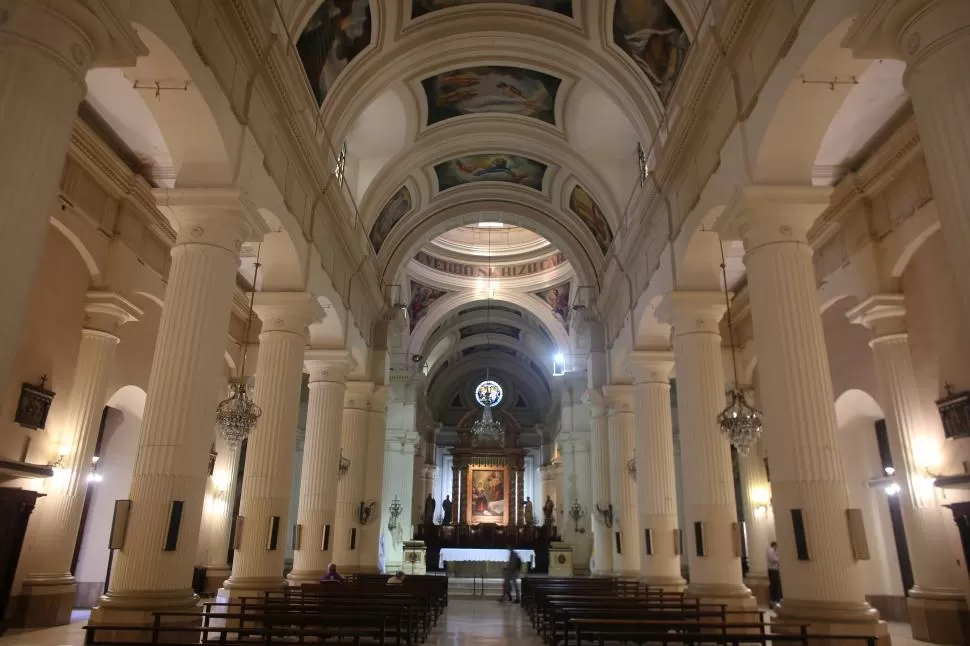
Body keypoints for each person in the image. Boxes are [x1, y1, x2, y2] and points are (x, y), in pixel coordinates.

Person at [767, 541, 782, 608]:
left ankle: (776, 600)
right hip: (772, 570)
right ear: (774, 545)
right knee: (774, 585)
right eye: (776, 546)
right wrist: (779, 560)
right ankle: (774, 601)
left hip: (775, 570)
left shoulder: (774, 551)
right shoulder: (770, 550)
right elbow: (772, 559)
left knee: (777, 585)